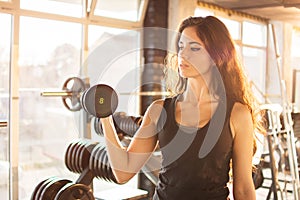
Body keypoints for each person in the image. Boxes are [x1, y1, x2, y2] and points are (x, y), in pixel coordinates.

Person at [100, 16, 261, 200]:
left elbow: (243, 189)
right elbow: (124, 172)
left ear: (216, 57)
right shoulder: (159, 110)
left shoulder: (237, 114)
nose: (183, 54)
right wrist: (104, 116)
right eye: (181, 46)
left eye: (194, 48)